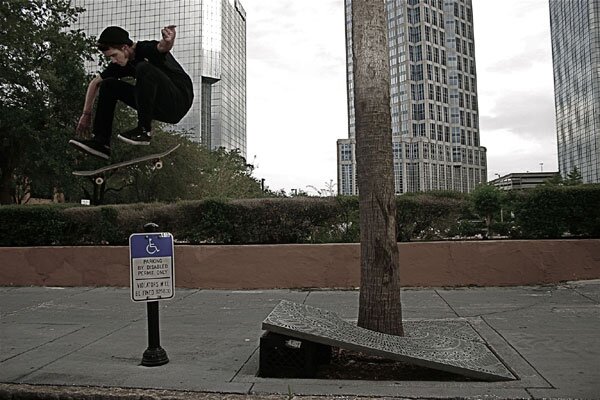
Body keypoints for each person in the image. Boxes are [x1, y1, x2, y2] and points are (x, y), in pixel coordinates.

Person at [69, 25, 194, 160]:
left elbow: (162, 47)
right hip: (159, 107)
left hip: (179, 98)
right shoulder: (120, 65)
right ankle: (101, 142)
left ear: (124, 47)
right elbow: (95, 83)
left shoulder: (144, 49)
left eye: (114, 55)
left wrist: (169, 40)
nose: (114, 61)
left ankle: (144, 130)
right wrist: (86, 114)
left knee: (143, 68)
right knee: (108, 85)